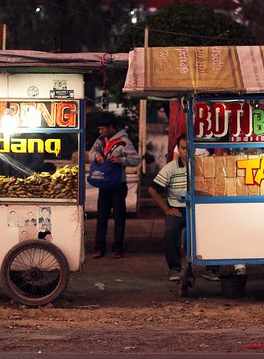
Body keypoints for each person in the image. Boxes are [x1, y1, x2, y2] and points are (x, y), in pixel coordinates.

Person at [148, 134, 220, 281]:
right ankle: (175, 269)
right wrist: (166, 209)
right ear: (178, 149)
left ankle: (212, 269)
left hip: (200, 209)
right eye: (182, 148)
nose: (186, 151)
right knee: (171, 230)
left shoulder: (202, 165)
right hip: (178, 210)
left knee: (215, 228)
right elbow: (152, 190)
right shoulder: (170, 168)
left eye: (189, 148)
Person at [90, 112, 141, 259]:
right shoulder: (101, 140)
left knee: (119, 218)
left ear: (111, 127)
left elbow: (136, 159)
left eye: (103, 129)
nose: (100, 132)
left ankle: (117, 248)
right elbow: (92, 152)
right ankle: (99, 248)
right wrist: (97, 156)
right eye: (99, 129)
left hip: (118, 185)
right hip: (104, 184)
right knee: (101, 218)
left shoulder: (124, 142)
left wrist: (121, 160)